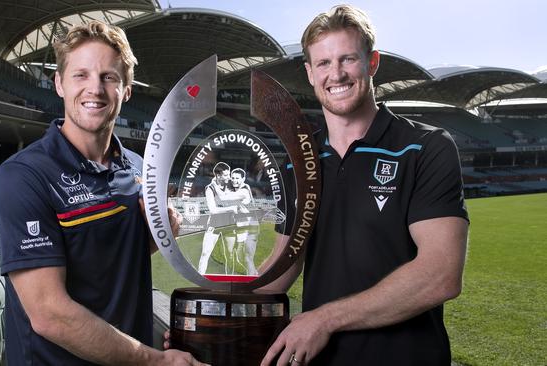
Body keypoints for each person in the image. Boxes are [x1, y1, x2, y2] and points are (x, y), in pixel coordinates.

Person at [260, 5, 469, 366]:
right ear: (310, 73)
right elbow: (280, 271)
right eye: (323, 63)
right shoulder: (298, 162)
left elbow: (442, 273)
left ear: (371, 63)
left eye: (348, 59)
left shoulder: (424, 147)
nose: (336, 74)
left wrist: (325, 319)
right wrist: (204, 316)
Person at [0, 20, 204, 365]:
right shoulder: (22, 176)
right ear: (59, 84)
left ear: (127, 90)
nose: (95, 89)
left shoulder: (139, 167)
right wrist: (155, 361)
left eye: (109, 77)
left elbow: (106, 261)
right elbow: (49, 314)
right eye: (81, 75)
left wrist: (159, 235)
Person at [197, 162, 238, 274]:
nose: (229, 177)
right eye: (226, 175)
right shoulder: (210, 188)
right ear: (218, 176)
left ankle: (231, 281)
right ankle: (200, 279)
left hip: (229, 223)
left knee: (230, 254)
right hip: (215, 223)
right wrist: (230, 208)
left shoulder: (231, 184)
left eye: (229, 174)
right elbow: (213, 210)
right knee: (205, 253)